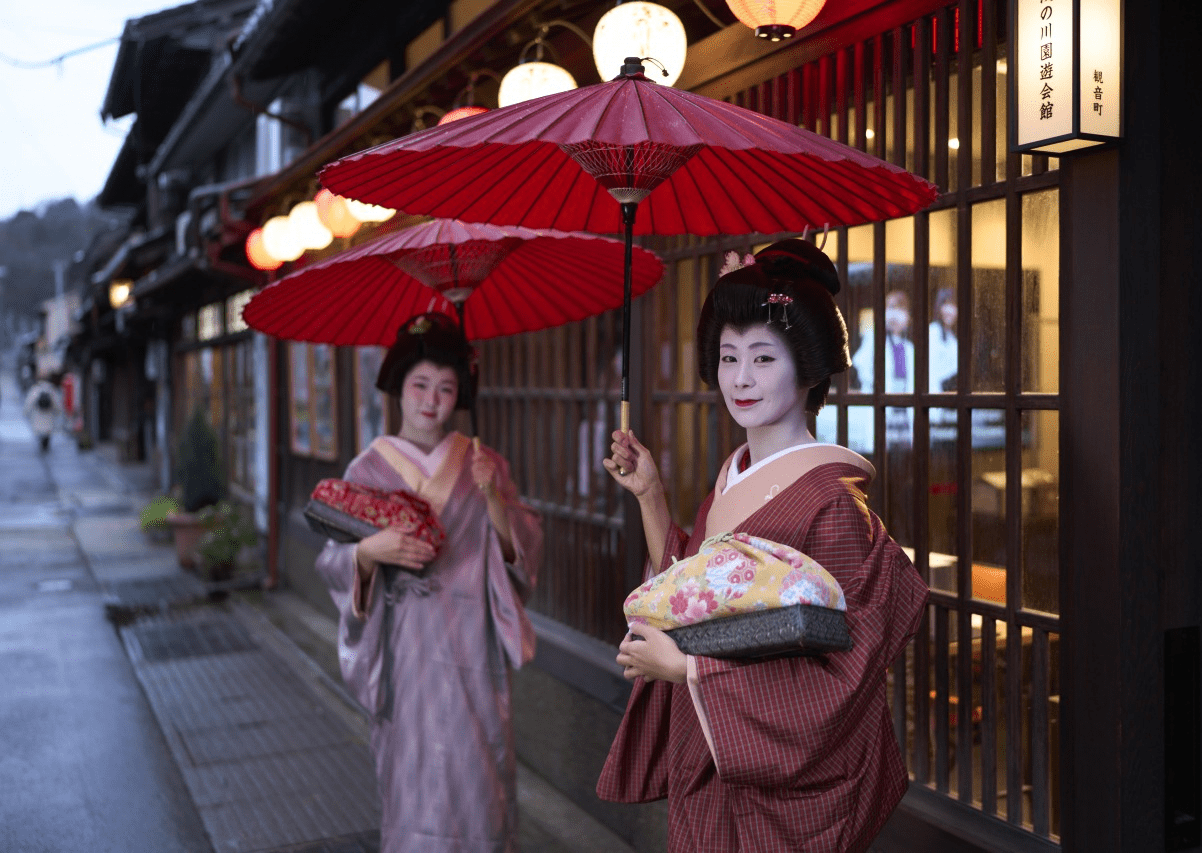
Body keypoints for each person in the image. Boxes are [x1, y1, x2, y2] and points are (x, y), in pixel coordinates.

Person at [596, 239, 930, 852]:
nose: (740, 378)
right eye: (728, 357)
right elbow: (689, 593)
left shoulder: (832, 505)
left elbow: (845, 677)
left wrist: (690, 669)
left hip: (776, 793)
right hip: (711, 752)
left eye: (763, 358)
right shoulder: (734, 474)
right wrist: (650, 495)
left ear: (809, 367)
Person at [313, 312, 542, 853]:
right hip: (405, 649)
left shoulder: (484, 464)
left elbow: (522, 552)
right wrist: (368, 553)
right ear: (398, 387)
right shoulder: (366, 470)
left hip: (471, 643)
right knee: (411, 782)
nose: (431, 401)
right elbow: (332, 559)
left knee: (479, 780)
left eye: (446, 387)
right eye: (420, 385)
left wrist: (492, 497)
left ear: (460, 394)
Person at [928, 287, 958, 395]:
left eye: (953, 305)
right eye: (946, 304)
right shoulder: (934, 331)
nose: (949, 310)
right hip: (936, 394)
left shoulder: (951, 336)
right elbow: (931, 374)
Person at [23, 376, 61, 452]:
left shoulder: (35, 389)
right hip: (49, 416)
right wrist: (58, 412)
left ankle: (42, 446)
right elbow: (57, 403)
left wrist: (26, 412)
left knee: (40, 433)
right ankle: (46, 446)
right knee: (47, 433)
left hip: (38, 415)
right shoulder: (51, 389)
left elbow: (29, 402)